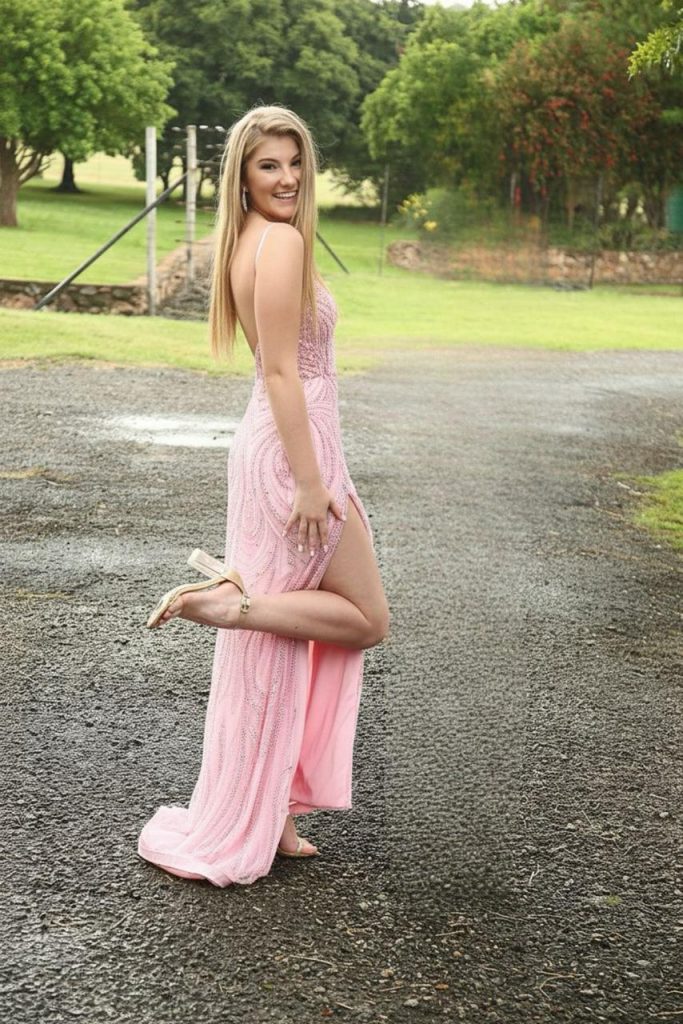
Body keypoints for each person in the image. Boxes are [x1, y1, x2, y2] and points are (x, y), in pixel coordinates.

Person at [137, 104, 390, 887]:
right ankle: (229, 607)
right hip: (291, 455)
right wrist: (311, 482)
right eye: (267, 165)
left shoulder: (252, 238)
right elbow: (281, 369)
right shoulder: (278, 242)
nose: (286, 178)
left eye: (294, 162)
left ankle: (271, 806)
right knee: (364, 619)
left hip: (289, 444)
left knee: (292, 638)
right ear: (242, 178)